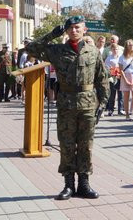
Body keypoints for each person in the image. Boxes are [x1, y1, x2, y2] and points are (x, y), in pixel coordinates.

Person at [24, 15, 109, 200]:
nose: (74, 30)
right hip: (66, 103)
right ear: (66, 30)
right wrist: (51, 35)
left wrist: (102, 103)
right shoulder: (57, 50)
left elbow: (102, 79)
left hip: (87, 104)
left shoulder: (93, 52)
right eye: (70, 28)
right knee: (67, 144)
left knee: (86, 145)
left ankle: (84, 184)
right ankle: (69, 185)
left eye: (78, 27)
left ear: (84, 29)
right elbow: (31, 48)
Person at [119, 40, 133, 120]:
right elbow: (121, 70)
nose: (131, 46)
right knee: (126, 97)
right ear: (126, 47)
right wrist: (126, 80)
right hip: (125, 76)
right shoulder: (122, 57)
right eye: (130, 45)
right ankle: (127, 115)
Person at [104, 43, 122, 116]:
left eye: (116, 49)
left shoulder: (120, 57)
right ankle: (110, 110)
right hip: (112, 77)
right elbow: (107, 68)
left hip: (120, 76)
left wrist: (119, 73)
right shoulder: (109, 58)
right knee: (112, 94)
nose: (115, 50)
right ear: (111, 50)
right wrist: (113, 72)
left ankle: (121, 109)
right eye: (114, 49)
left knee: (121, 94)